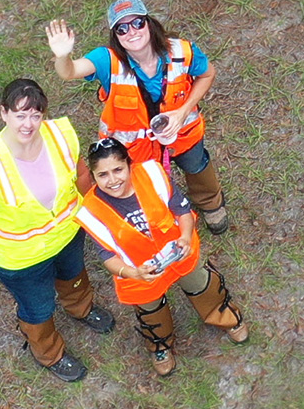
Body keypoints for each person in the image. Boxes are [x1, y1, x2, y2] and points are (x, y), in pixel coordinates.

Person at [0, 79, 115, 382]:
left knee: (73, 278)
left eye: (35, 114)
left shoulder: (59, 135)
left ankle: (81, 308)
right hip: (21, 260)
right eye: (20, 115)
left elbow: (81, 174)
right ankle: (49, 353)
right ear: (3, 113)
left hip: (67, 235)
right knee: (38, 307)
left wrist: (99, 211)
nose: (29, 124)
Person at [46, 0, 230, 235]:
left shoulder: (181, 50)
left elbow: (207, 75)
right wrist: (63, 56)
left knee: (196, 165)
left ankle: (210, 203)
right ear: (116, 36)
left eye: (137, 23)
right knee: (146, 182)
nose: (131, 32)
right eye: (122, 28)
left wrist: (183, 111)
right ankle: (162, 215)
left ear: (149, 23)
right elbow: (69, 72)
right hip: (136, 146)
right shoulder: (106, 60)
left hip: (183, 132)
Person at [74, 138, 247, 377]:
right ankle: (160, 346)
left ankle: (227, 317)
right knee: (151, 312)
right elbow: (107, 255)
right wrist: (133, 273)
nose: (112, 180)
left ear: (129, 165)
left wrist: (185, 237)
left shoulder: (152, 174)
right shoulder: (92, 210)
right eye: (102, 175)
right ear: (93, 177)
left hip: (179, 253)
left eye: (118, 170)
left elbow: (182, 209)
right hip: (139, 272)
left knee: (203, 287)